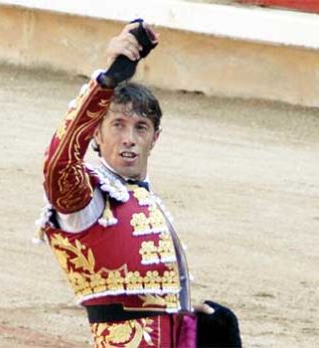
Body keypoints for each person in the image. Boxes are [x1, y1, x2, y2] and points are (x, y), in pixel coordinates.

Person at [35, 20, 240, 347]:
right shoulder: (87, 200)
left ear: (154, 138)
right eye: (117, 125)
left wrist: (188, 317)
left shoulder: (142, 199)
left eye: (140, 127)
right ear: (96, 136)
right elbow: (58, 163)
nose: (129, 139)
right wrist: (106, 81)